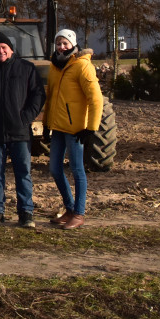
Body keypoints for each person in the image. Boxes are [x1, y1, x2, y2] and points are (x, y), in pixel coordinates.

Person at [0, 31, 45, 228]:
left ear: (11, 50)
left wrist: (26, 117)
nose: (0, 50)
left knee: (23, 173)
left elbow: (38, 95)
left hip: (20, 132)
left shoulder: (26, 69)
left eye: (4, 47)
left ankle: (26, 213)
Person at [44, 29, 103, 230]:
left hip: (76, 130)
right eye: (58, 43)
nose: (61, 47)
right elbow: (51, 98)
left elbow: (96, 99)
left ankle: (79, 213)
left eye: (65, 43)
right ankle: (69, 209)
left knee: (77, 171)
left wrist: (91, 128)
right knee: (54, 169)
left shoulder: (82, 66)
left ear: (73, 45)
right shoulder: (54, 67)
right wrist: (46, 124)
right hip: (58, 128)